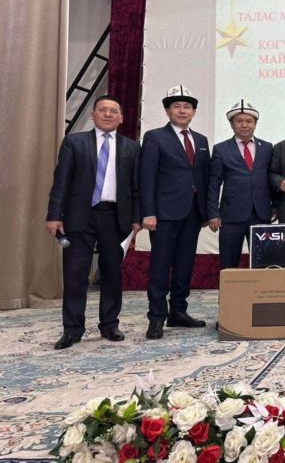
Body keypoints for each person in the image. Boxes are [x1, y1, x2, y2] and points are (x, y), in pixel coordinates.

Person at [46, 95, 141, 350]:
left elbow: (135, 188)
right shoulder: (74, 142)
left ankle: (109, 324)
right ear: (93, 115)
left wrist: (136, 219)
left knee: (111, 273)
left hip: (115, 217)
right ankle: (72, 329)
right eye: (103, 110)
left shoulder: (132, 148)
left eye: (113, 111)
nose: (108, 114)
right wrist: (54, 215)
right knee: (75, 274)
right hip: (79, 216)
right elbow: (61, 181)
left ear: (121, 118)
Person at [140, 85, 210, 339]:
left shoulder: (201, 140)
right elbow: (147, 177)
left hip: (193, 213)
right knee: (161, 265)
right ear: (168, 111)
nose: (182, 110)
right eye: (177, 106)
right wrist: (148, 212)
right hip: (164, 214)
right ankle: (156, 317)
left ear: (194, 112)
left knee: (184, 264)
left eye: (187, 106)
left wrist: (206, 211)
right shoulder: (155, 137)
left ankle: (178, 311)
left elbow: (203, 177)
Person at [208, 100, 273, 270]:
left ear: (255, 123)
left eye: (249, 121)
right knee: (229, 265)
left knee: (264, 264)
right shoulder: (221, 149)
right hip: (231, 216)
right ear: (231, 124)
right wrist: (213, 213)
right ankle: (230, 290)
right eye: (239, 121)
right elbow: (214, 184)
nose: (244, 125)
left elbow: (272, 178)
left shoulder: (267, 148)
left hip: (261, 215)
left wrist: (276, 205)